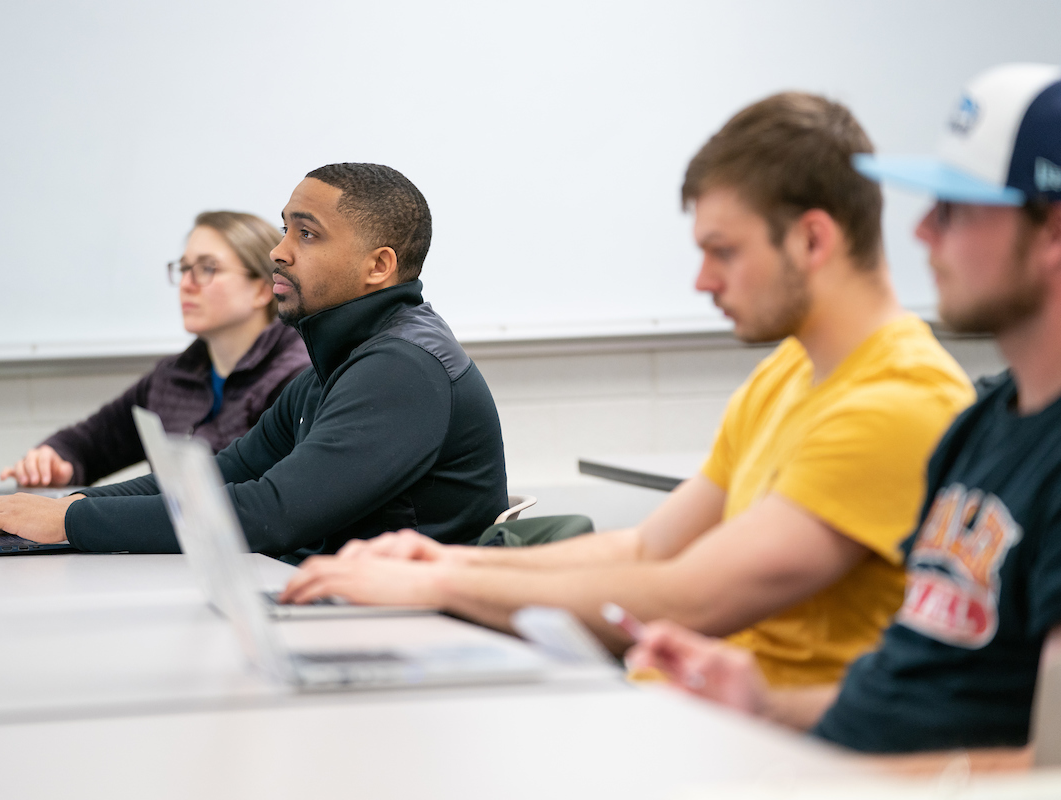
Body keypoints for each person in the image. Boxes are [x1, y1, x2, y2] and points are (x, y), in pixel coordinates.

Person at [281, 93, 977, 688]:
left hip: (766, 750)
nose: (702, 280)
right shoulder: (791, 372)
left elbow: (690, 594)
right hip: (677, 710)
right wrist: (442, 558)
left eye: (723, 250)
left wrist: (439, 586)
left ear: (812, 241)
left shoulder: (896, 400)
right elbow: (646, 550)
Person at [624, 63, 1061, 763]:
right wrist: (763, 703)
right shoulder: (979, 431)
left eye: (956, 209)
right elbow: (909, 691)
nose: (921, 233)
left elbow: (1044, 766)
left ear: (1052, 232)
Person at [0, 164, 509, 561]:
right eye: (286, 227)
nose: (279, 250)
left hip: (403, 638)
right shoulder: (338, 365)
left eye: (307, 233)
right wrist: (58, 507)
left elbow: (273, 511)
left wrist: (67, 521)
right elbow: (220, 475)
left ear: (378, 266)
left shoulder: (402, 368)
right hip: (339, 608)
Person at [1, 211, 310, 488]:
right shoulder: (174, 374)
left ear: (260, 289)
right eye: (184, 268)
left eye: (206, 268)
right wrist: (53, 459)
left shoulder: (298, 375)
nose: (186, 284)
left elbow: (257, 493)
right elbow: (91, 442)